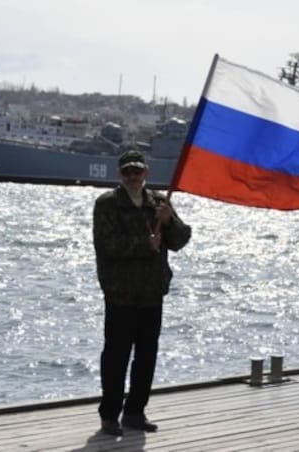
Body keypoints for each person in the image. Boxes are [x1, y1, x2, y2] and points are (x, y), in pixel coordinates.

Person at [93, 150, 192, 435]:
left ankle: (135, 411)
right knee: (116, 357)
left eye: (137, 171)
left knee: (146, 356)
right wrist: (142, 244)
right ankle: (110, 415)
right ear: (120, 175)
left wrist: (170, 220)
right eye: (128, 172)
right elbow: (106, 245)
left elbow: (179, 241)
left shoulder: (159, 202)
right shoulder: (108, 204)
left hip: (151, 293)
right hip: (120, 294)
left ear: (146, 173)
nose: (133, 177)